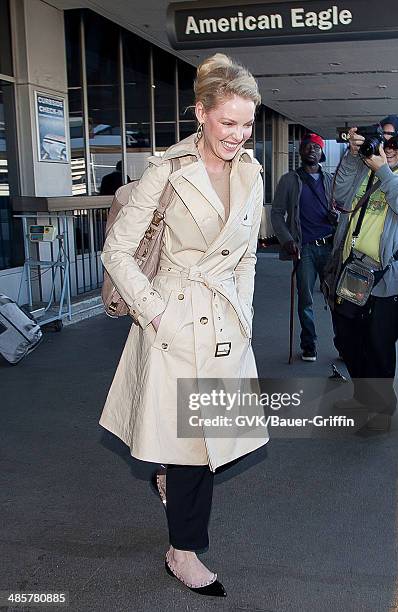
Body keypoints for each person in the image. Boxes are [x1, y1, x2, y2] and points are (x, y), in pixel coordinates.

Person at [99, 54, 268, 596]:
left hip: (224, 324)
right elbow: (117, 251)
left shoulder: (251, 172)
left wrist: (243, 312)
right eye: (228, 123)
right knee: (197, 447)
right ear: (201, 113)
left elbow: (246, 256)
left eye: (247, 124)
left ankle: (170, 479)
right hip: (174, 322)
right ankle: (184, 552)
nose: (238, 135)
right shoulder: (168, 171)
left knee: (211, 442)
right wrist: (157, 312)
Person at [328, 115, 398, 430]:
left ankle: (383, 411)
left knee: (378, 344)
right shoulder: (362, 164)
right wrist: (351, 156)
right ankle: (362, 397)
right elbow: (340, 198)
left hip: (388, 277)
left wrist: (383, 170)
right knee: (347, 340)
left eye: (393, 139)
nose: (387, 146)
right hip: (350, 272)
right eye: (381, 138)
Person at [271, 133, 336, 361]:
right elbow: (277, 213)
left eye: (316, 147)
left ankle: (343, 343)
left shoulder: (330, 180)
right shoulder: (289, 180)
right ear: (300, 152)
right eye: (307, 147)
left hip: (329, 247)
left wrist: (335, 217)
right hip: (304, 248)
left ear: (322, 153)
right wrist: (286, 239)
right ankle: (309, 345)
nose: (312, 150)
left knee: (337, 298)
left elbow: (342, 208)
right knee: (306, 299)